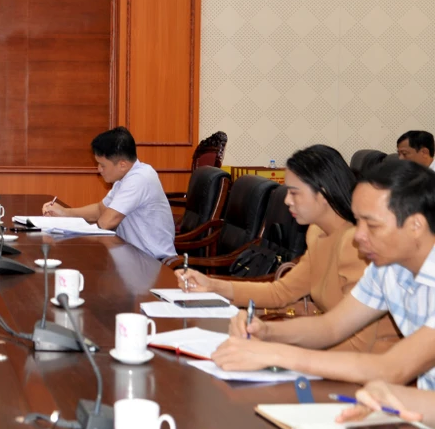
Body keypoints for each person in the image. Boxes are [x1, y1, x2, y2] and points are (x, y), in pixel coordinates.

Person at [211, 161, 435, 388]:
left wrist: (275, 355)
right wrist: (266, 331)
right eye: (358, 222)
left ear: (416, 225)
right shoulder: (386, 267)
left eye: (372, 225)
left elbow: (392, 369)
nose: (358, 236)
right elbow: (331, 327)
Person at [176, 145, 398, 353]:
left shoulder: (356, 245)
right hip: (329, 354)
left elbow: (358, 347)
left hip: (373, 368)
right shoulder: (318, 234)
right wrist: (212, 285)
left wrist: (273, 351)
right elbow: (281, 293)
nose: (287, 201)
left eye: (294, 192)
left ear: (322, 193)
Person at [42, 127, 175, 260]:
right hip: (132, 256)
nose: (99, 169)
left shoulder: (140, 178)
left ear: (122, 165)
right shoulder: (124, 177)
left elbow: (106, 222)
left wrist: (66, 230)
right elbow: (100, 210)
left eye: (102, 165)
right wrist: (65, 213)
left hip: (153, 262)